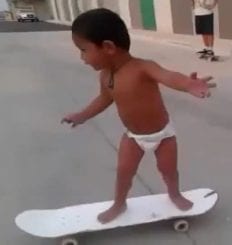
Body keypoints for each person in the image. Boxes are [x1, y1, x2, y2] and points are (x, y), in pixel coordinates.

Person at [61, 8, 216, 224]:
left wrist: (188, 83)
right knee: (124, 172)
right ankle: (119, 203)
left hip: (163, 135)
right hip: (134, 137)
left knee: (168, 170)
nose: (82, 58)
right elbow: (104, 99)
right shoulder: (106, 76)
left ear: (108, 47)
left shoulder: (143, 67)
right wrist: (82, 115)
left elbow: (168, 76)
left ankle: (175, 194)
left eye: (84, 50)